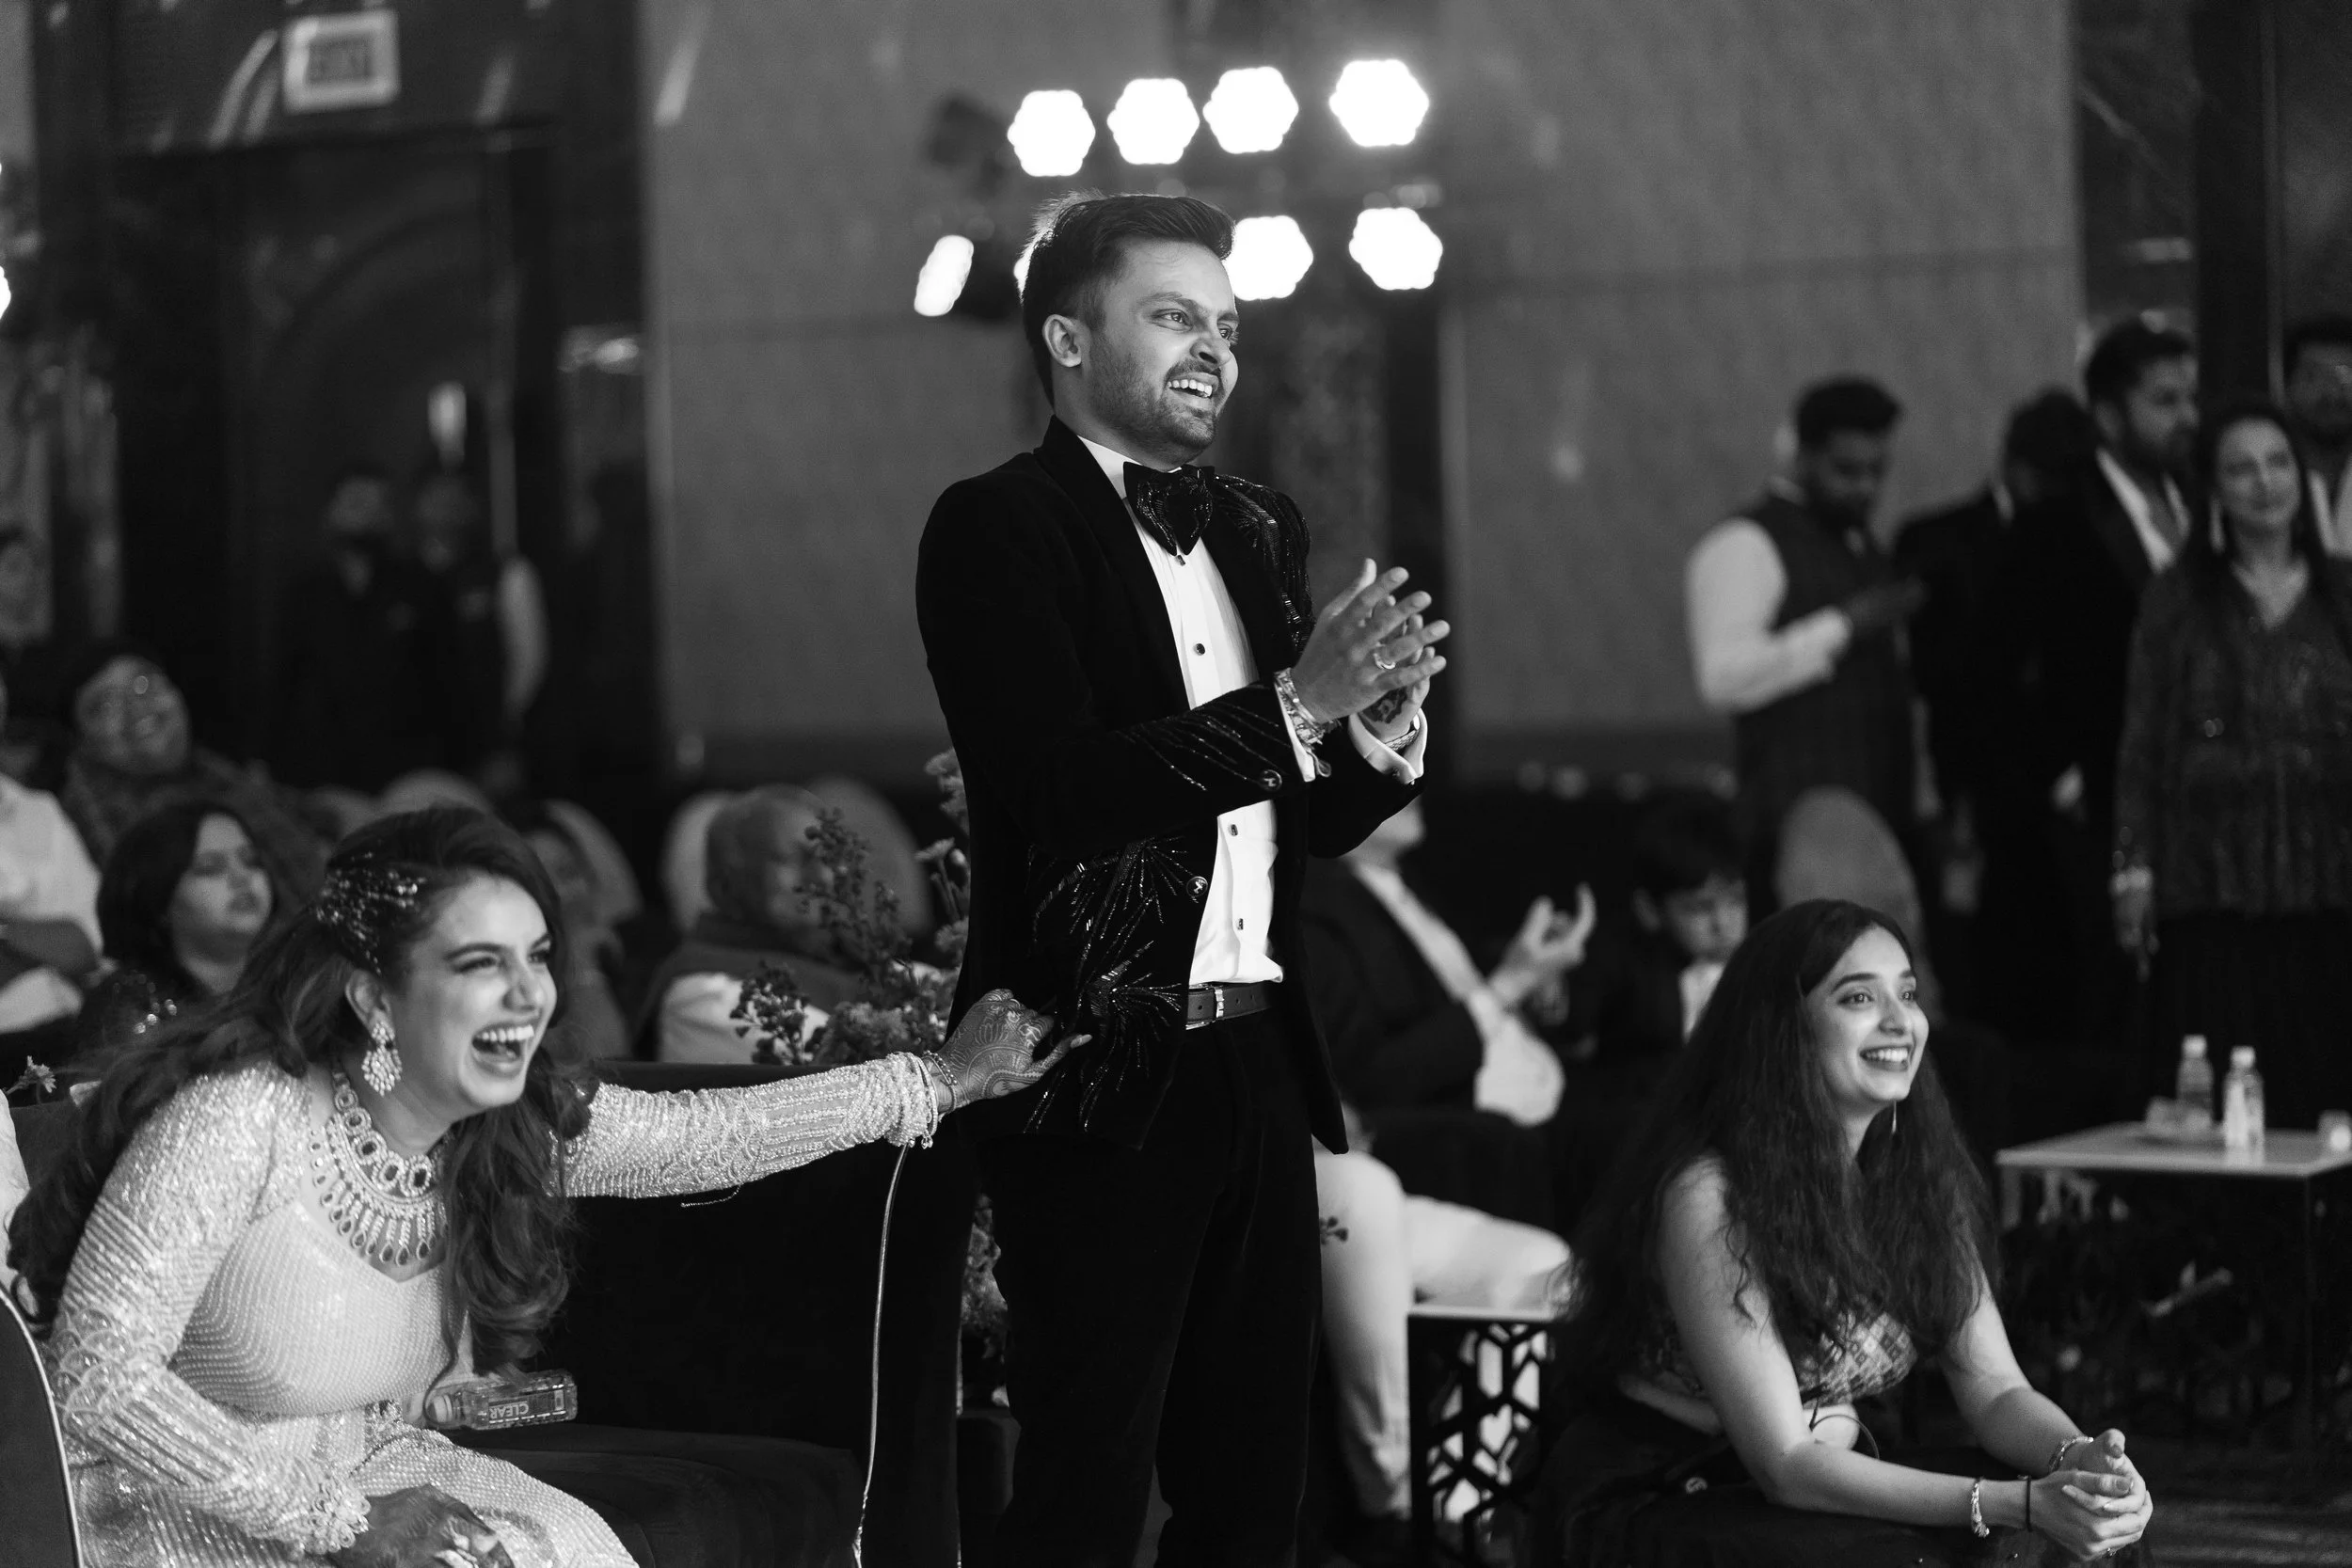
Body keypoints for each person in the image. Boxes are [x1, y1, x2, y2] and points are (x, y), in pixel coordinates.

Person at [5, 806, 1075, 1568]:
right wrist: (339, 1520)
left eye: (538, 954)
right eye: (480, 963)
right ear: (375, 996)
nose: (529, 995)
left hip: (371, 1468)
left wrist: (939, 1079)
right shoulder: (242, 1117)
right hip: (175, 1505)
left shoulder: (494, 1125)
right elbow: (96, 1375)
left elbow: (709, 1135)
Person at [915, 190, 1443, 1566]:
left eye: (1226, 324)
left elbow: (1307, 815)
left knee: (1256, 1492)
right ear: (1068, 340)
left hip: (1259, 1059)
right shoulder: (996, 527)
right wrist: (1300, 705)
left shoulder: (1259, 526)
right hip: (1094, 1063)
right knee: (1084, 1493)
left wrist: (1374, 732)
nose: (1213, 349)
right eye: (1172, 317)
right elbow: (1059, 791)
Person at [1532, 900, 2154, 1565]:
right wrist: (2017, 1501)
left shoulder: (1920, 1179)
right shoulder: (1708, 1194)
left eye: (1907, 994)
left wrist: (2079, 1462)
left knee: (2091, 1534)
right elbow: (1784, 1461)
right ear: (1783, 1029)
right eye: (1859, 997)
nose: (1901, 1021)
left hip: (1817, 1475)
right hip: (1674, 1490)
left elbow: (1997, 1389)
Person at [2113, 400, 2352, 1127]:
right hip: (2211, 880)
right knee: (2223, 1096)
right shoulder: (2177, 599)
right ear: (2214, 489)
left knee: (2328, 1097)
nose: (2265, 482)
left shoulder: (2344, 592)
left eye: (2278, 463)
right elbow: (2142, 742)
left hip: (2331, 879)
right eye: (2242, 469)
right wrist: (2132, 866)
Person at [2005, 318, 2197, 1050]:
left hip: (2205, 790)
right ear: (2110, 416)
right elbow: (1999, 668)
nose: (2187, 417)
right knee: (2114, 996)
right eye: (2165, 401)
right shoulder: (2056, 520)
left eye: (2191, 398)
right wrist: (2061, 775)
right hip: (2103, 791)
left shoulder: (2205, 501)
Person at [1686, 377, 1924, 902]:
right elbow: (1722, 679)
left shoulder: (1859, 543)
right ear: (1803, 456)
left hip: (1875, 825)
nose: (1865, 488)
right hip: (1792, 832)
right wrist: (1843, 626)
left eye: (1877, 471)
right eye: (1846, 470)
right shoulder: (1746, 543)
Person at [1314, 1124, 1568, 1566]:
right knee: (1356, 1184)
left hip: (1344, 1154)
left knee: (1543, 1265)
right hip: (1269, 1164)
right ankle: (1398, 1501)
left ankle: (1459, 1500)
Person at [1894, 392, 2099, 936]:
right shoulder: (1937, 540)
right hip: (1982, 783)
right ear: (2012, 463)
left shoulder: (2091, 529)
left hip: (2081, 778)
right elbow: (1938, 675)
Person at [57, 641, 330, 901]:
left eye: (143, 684)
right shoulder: (97, 813)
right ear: (82, 743)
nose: (135, 707)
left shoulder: (209, 768)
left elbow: (294, 812)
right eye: (105, 706)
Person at [268, 463, 478, 793]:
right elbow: (283, 682)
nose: (366, 515)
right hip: (325, 776)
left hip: (409, 772)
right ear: (331, 511)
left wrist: (469, 760)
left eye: (377, 505)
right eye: (355, 503)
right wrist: (266, 757)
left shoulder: (421, 586)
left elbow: (452, 681)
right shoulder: (306, 594)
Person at [637, 785, 864, 1062]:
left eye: (830, 858)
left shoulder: (852, 959)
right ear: (724, 886)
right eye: (799, 858)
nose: (826, 877)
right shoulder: (703, 991)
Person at [80, 801, 278, 1052]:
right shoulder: (126, 1006)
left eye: (252, 861)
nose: (242, 877)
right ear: (157, 900)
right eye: (210, 868)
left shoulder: (289, 980)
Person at [410, 472, 548, 799]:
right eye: (435, 497)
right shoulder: (402, 579)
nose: (445, 508)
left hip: (490, 746)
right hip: (417, 749)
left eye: (455, 498)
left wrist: (502, 723)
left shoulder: (505, 573)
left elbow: (529, 661)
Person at [0, 671, 102, 1087]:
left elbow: (86, 946)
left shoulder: (37, 810)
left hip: (72, 1039)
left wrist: (5, 932)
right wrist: (38, 941)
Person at [2281, 313, 2352, 555]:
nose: (2333, 393)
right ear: (2287, 385)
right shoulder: (2266, 477)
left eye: (2346, 376)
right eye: (2314, 377)